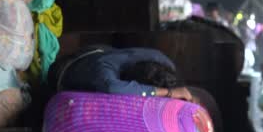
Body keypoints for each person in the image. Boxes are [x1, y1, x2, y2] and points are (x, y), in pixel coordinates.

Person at [47, 45, 193, 101]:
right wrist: (167, 93)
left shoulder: (161, 61)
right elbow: (113, 89)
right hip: (62, 74)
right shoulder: (105, 71)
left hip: (96, 51)